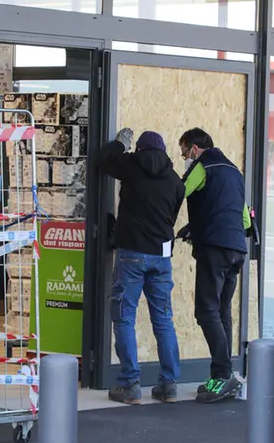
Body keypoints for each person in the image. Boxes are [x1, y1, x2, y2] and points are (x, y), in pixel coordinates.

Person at [98, 127, 186, 405]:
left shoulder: (132, 166)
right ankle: (169, 385)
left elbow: (104, 160)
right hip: (162, 257)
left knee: (125, 317)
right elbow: (171, 218)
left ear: (140, 150)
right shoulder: (175, 181)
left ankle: (130, 384)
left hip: (132, 254)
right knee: (163, 320)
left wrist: (120, 144)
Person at [177, 127, 251, 403]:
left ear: (194, 149)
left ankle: (223, 376)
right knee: (222, 312)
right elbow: (243, 218)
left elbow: (178, 192)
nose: (184, 157)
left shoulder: (203, 166)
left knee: (205, 311)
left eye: (184, 152)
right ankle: (222, 375)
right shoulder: (234, 171)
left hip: (215, 248)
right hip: (236, 249)